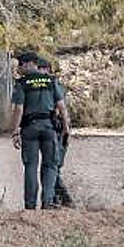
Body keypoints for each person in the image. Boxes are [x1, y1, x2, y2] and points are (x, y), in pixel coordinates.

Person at [9, 51, 68, 209]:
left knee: (30, 166)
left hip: (29, 129)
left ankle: (30, 206)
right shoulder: (51, 80)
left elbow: (19, 109)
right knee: (50, 165)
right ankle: (48, 202)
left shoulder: (22, 84)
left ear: (29, 64)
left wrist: (15, 131)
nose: (19, 69)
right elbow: (62, 107)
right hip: (49, 128)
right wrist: (66, 128)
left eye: (20, 65)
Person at [37, 56, 73, 207]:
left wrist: (65, 129)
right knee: (51, 167)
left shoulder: (54, 85)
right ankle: (56, 199)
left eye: (39, 69)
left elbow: (61, 110)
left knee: (52, 167)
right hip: (53, 130)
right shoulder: (46, 86)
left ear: (46, 70)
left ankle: (61, 199)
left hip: (57, 131)